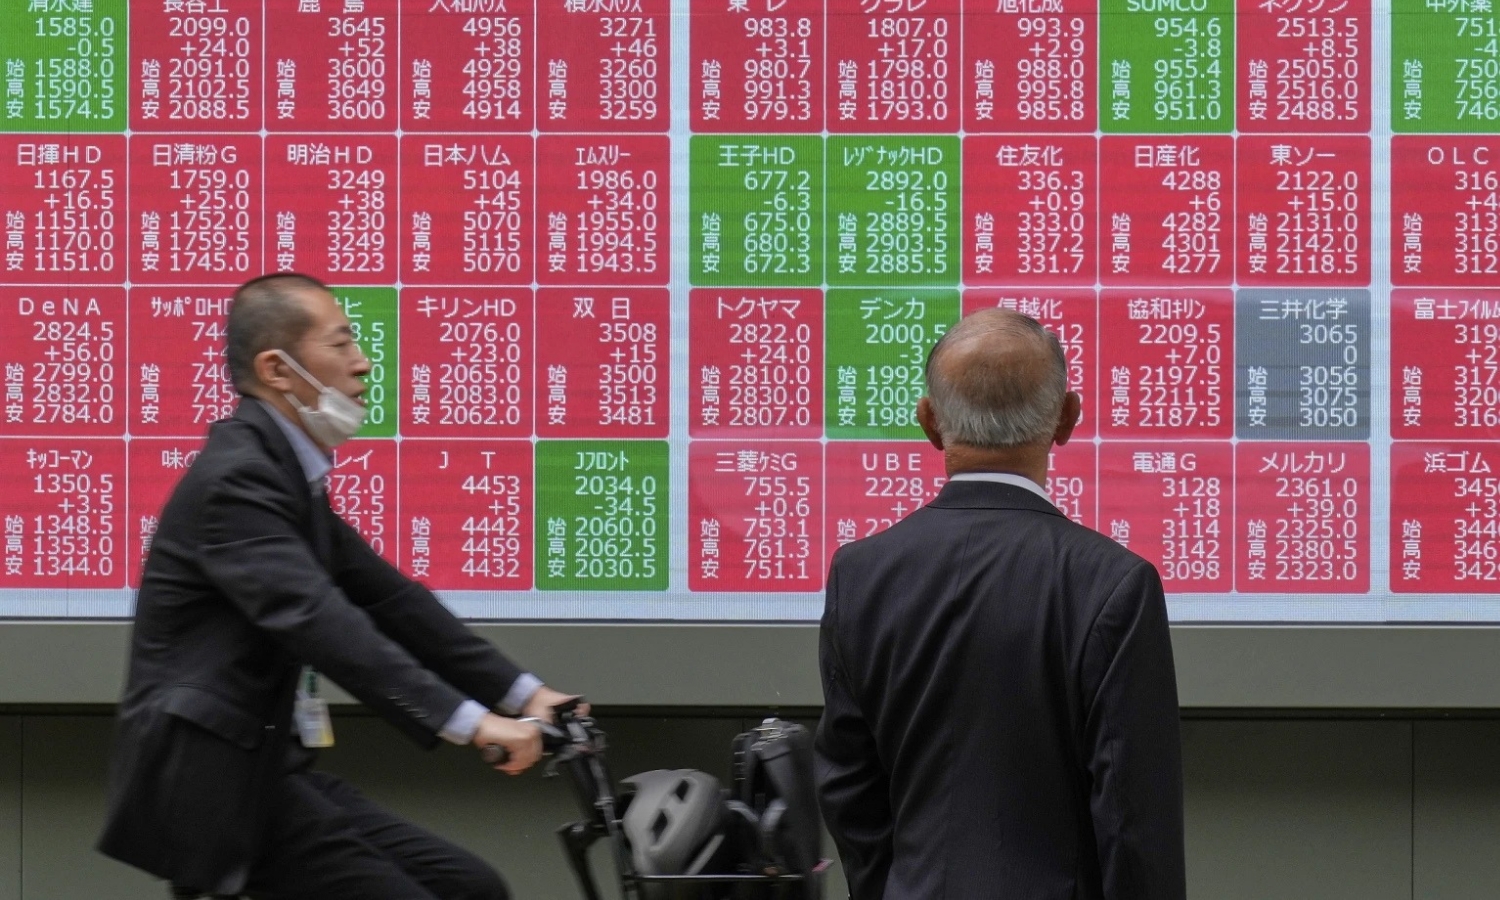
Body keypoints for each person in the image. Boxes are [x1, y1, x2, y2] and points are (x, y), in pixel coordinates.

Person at [99, 273, 582, 900]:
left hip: (266, 773)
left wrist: (526, 694)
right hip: (213, 789)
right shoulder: (238, 482)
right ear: (277, 369)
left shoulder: (282, 475)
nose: (363, 363)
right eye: (342, 343)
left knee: (471, 886)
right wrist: (471, 724)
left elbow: (389, 599)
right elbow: (321, 621)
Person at [814, 309, 1185, 900]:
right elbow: (1133, 823)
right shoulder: (1114, 584)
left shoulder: (859, 576)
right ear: (1067, 417)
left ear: (929, 422)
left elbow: (849, 790)